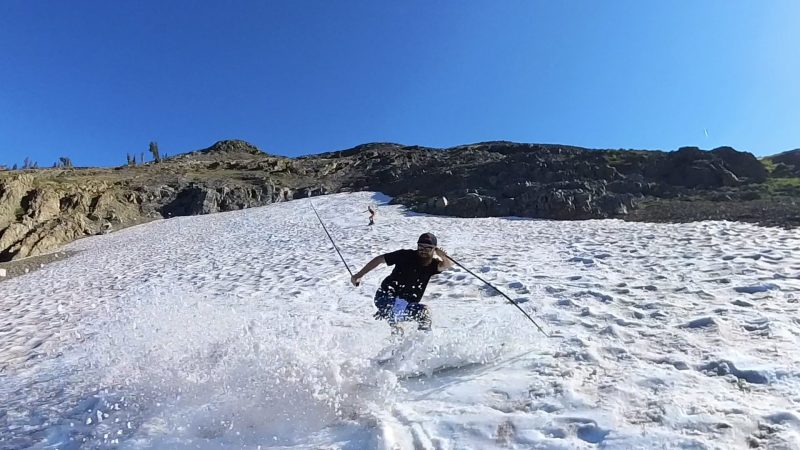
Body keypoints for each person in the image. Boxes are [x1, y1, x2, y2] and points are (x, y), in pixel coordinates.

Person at [351, 232, 453, 333]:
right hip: (385, 296)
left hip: (406, 304)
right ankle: (399, 342)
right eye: (421, 247)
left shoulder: (433, 264)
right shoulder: (405, 255)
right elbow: (379, 259)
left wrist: (444, 256)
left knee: (422, 316)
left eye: (428, 248)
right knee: (408, 320)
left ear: (434, 249)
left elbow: (447, 265)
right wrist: (359, 275)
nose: (423, 251)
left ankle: (420, 344)